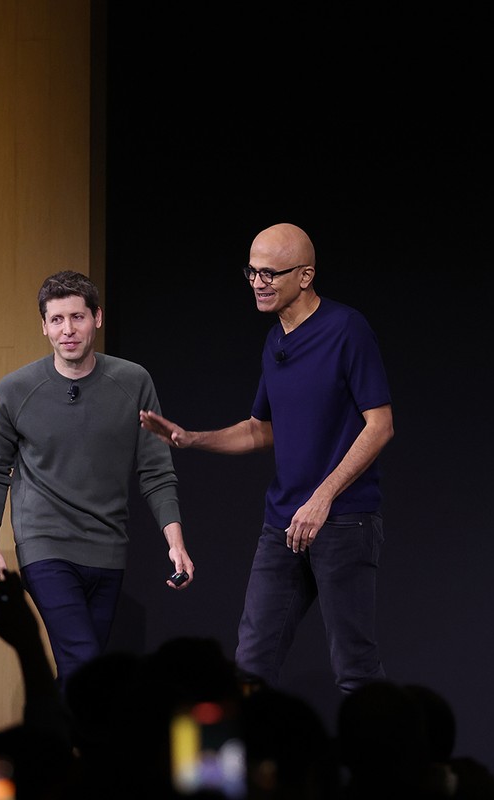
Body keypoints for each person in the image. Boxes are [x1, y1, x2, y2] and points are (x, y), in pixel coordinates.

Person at [140, 222, 394, 694]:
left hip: (342, 521)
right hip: (282, 524)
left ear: (305, 275)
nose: (258, 282)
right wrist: (191, 438)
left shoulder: (346, 329)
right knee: (250, 665)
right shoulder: (274, 340)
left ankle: (386, 767)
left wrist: (322, 498)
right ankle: (245, 767)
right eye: (252, 271)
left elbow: (379, 425)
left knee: (355, 670)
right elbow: (260, 430)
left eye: (270, 273)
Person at [0, 270, 194, 695]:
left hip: (107, 547)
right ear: (43, 326)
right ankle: (90, 757)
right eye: (56, 320)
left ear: (97, 317)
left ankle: (55, 750)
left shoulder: (133, 382)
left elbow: (155, 469)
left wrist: (176, 541)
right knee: (83, 662)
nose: (67, 330)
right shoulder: (16, 389)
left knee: (84, 674)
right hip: (45, 544)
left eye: (76, 317)